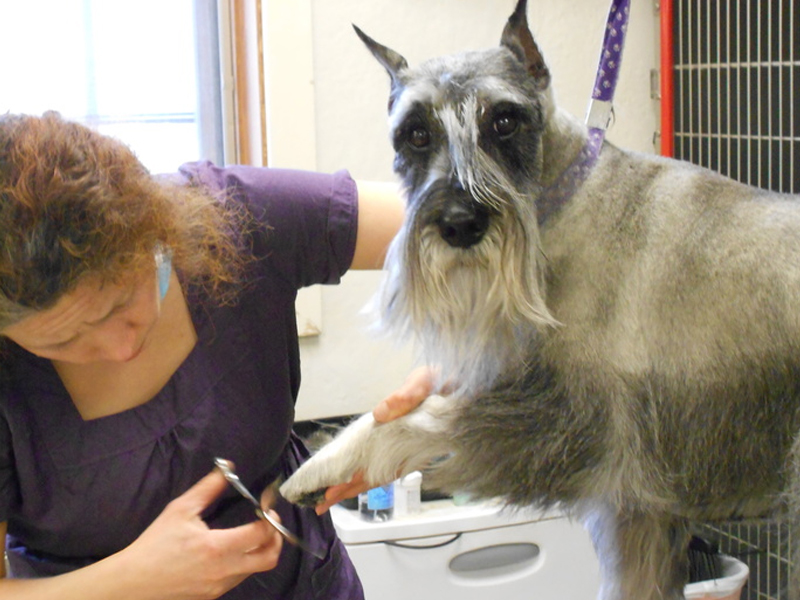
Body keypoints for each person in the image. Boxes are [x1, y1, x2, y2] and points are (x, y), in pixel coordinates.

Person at [0, 111, 433, 599]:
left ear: (154, 231)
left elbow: (478, 230)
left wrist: (452, 372)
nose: (119, 349)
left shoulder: (234, 217)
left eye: (123, 302)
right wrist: (130, 582)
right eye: (60, 342)